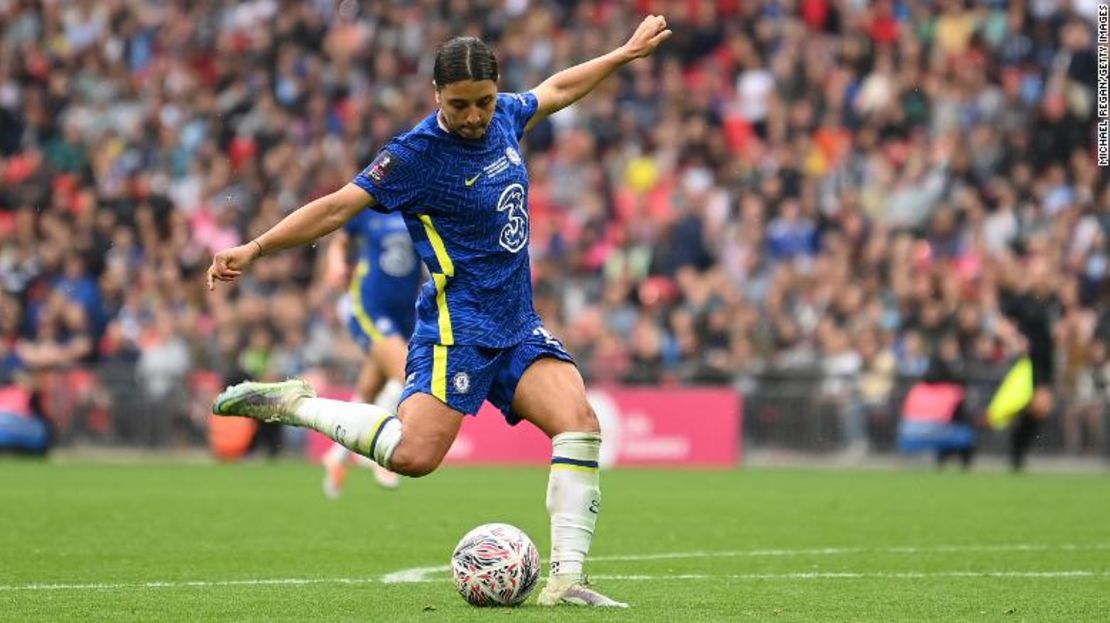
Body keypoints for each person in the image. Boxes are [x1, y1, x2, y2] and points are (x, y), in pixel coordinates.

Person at [206, 16, 672, 608]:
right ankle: (294, 404)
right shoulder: (415, 155)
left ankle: (565, 582)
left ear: (497, 88)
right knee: (415, 456)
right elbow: (335, 208)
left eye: (482, 101)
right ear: (436, 96)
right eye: (459, 105)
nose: (474, 116)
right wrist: (257, 246)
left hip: (517, 324)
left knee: (579, 423)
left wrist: (623, 54)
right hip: (458, 329)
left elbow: (555, 90)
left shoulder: (504, 114)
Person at [321, 207, 422, 496]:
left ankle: (336, 456)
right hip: (369, 306)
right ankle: (382, 451)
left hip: (406, 313)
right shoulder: (369, 208)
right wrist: (337, 262)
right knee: (408, 373)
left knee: (371, 386)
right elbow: (340, 237)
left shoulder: (421, 203)